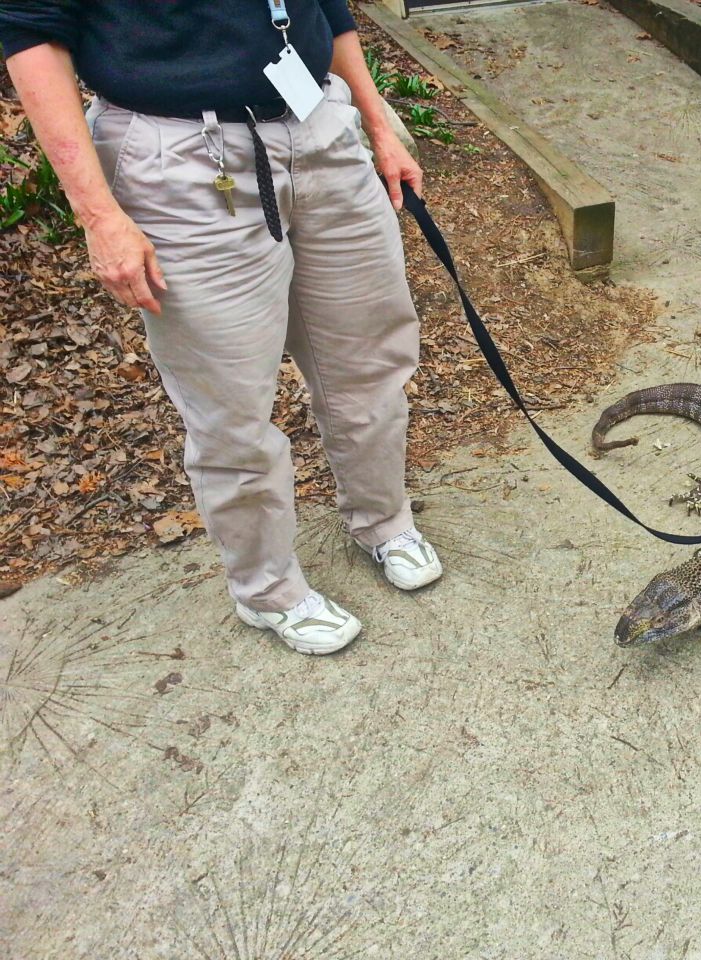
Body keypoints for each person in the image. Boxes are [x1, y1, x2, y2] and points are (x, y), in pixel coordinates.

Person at [0, 1, 443, 655]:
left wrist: (378, 125)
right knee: (230, 407)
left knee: (370, 360)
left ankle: (383, 521)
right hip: (183, 157)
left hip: (320, 124)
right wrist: (98, 215)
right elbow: (32, 33)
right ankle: (267, 589)